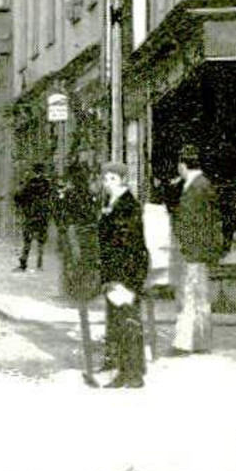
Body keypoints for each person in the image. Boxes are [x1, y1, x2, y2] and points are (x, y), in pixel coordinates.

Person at [97, 162, 149, 388]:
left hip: (125, 273)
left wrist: (120, 279)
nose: (107, 183)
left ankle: (133, 374)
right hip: (116, 272)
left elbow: (125, 244)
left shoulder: (127, 205)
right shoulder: (112, 203)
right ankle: (126, 370)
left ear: (123, 180)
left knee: (127, 322)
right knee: (120, 322)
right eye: (105, 179)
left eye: (112, 179)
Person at [170, 143, 222, 355]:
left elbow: (192, 222)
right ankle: (201, 341)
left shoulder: (196, 187)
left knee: (190, 295)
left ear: (183, 165)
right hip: (199, 252)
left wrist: (184, 245)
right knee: (199, 296)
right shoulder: (202, 184)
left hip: (194, 252)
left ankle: (184, 343)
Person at [13, 169, 54, 271]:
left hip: (30, 216)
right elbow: (52, 200)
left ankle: (24, 262)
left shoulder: (29, 185)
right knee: (40, 240)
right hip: (42, 216)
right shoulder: (46, 185)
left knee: (27, 240)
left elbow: (18, 198)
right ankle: (39, 263)